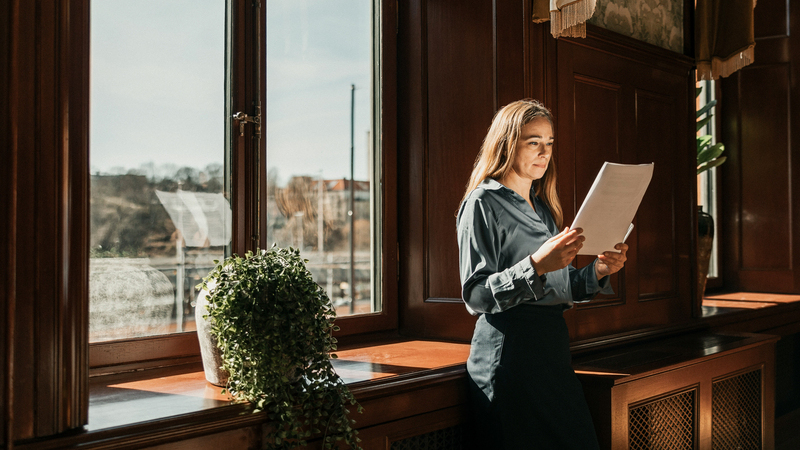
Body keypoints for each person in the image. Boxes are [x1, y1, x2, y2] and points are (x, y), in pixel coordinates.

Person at [457, 99, 628, 449]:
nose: (544, 151)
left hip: (551, 350)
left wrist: (597, 270)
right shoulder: (482, 202)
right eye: (533, 141)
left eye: (549, 143)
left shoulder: (544, 207)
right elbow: (475, 295)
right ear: (507, 143)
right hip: (510, 352)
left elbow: (559, 287)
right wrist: (534, 265)